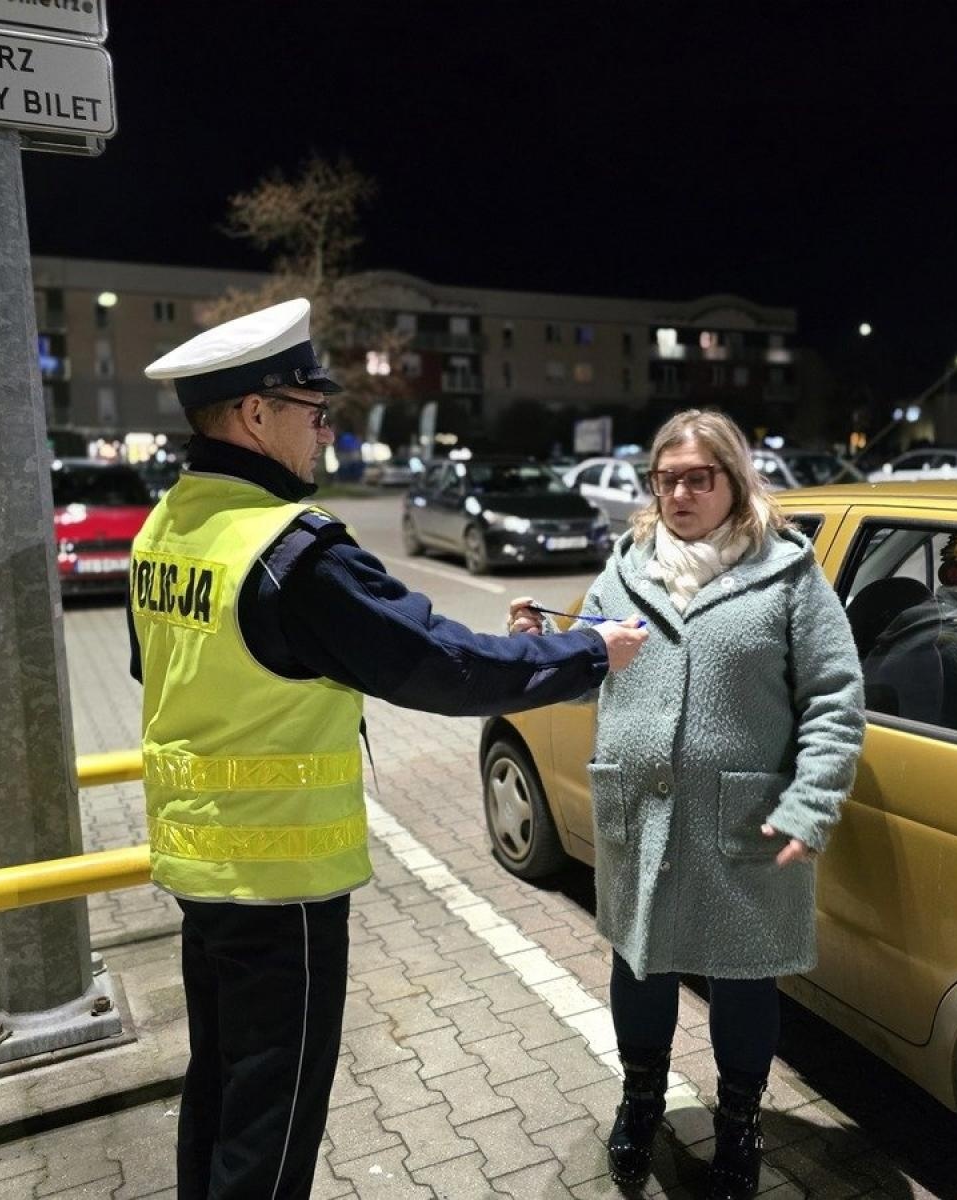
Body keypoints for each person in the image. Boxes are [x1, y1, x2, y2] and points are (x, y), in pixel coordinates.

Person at [130, 298, 648, 1200]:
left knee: (220, 1085)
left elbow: (160, 670)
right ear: (257, 413)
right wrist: (588, 653)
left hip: (198, 860)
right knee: (275, 1117)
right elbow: (443, 667)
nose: (328, 430)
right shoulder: (293, 554)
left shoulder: (170, 526)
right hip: (277, 877)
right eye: (314, 410)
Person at [508, 409, 865, 1199]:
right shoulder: (628, 563)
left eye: (698, 477)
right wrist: (544, 643)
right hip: (644, 817)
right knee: (640, 968)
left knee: (744, 980)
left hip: (742, 821)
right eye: (666, 479)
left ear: (735, 481)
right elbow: (591, 662)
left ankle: (739, 1120)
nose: (678, 493)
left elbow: (836, 700)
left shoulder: (787, 572)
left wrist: (811, 806)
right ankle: (641, 1101)